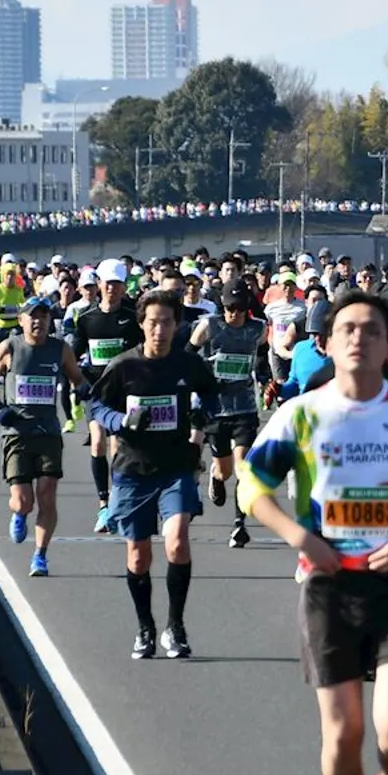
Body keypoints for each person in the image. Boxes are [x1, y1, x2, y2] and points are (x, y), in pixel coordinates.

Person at [239, 289, 388, 775]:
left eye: (372, 330)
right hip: (329, 587)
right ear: (325, 342)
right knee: (345, 734)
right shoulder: (301, 414)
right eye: (347, 328)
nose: (359, 338)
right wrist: (299, 537)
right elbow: (252, 486)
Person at [83, 289, 222, 659]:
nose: (159, 329)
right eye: (152, 322)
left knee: (176, 540)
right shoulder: (123, 366)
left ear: (177, 326)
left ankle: (174, 626)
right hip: (132, 470)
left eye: (167, 322)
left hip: (175, 466)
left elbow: (212, 395)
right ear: (142, 325)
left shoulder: (187, 364)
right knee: (139, 556)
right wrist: (121, 421)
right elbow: (95, 405)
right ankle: (145, 626)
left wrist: (200, 418)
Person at [0, 297, 89, 577]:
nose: (38, 321)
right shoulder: (10, 347)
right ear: (21, 320)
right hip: (17, 432)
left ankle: (40, 556)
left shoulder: (60, 349)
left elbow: (77, 378)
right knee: (23, 500)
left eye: (43, 316)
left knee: (47, 495)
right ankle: (19, 514)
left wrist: (87, 389)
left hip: (48, 432)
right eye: (32, 316)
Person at [189, 279, 269, 549]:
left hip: (244, 407)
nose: (233, 313)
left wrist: (267, 378)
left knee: (243, 467)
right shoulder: (210, 326)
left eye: (238, 308)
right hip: (215, 408)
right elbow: (188, 355)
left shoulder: (258, 328)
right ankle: (215, 475)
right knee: (225, 471)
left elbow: (262, 355)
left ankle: (239, 526)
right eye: (228, 307)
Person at [73, 259, 143, 534]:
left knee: (118, 450)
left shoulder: (132, 315)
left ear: (125, 286)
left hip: (125, 392)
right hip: (96, 390)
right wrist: (78, 380)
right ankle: (103, 504)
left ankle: (117, 500)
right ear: (98, 284)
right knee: (98, 444)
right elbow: (75, 353)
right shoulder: (88, 318)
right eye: (107, 283)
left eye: (117, 283)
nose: (111, 288)